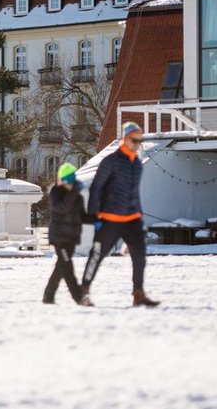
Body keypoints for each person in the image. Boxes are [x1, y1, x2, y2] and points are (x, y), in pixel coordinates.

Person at [80, 122, 159, 307]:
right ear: (125, 139)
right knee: (96, 256)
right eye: (134, 140)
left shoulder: (137, 164)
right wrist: (94, 215)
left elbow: (134, 193)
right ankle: (83, 291)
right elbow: (96, 187)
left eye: (140, 140)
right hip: (110, 219)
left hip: (132, 219)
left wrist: (139, 217)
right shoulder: (111, 161)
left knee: (140, 256)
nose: (137, 144)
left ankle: (138, 293)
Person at [44, 163, 95, 304]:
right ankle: (79, 298)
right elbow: (62, 208)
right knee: (68, 268)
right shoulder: (56, 193)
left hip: (72, 238)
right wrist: (73, 193)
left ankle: (48, 297)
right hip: (59, 238)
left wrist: (97, 219)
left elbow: (82, 216)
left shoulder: (77, 197)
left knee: (60, 268)